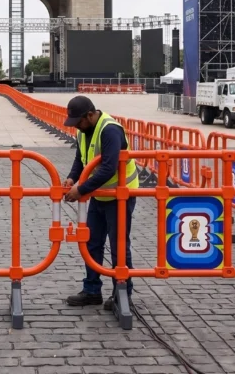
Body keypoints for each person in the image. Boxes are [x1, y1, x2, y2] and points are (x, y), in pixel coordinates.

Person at [62, 95, 138, 310]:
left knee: (118, 246)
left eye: (79, 122)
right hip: (99, 194)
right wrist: (72, 178)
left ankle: (123, 293)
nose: (76, 126)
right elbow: (81, 159)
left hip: (120, 195)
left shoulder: (110, 130)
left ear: (90, 115)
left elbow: (108, 167)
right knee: (92, 242)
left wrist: (80, 190)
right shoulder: (83, 130)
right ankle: (92, 290)